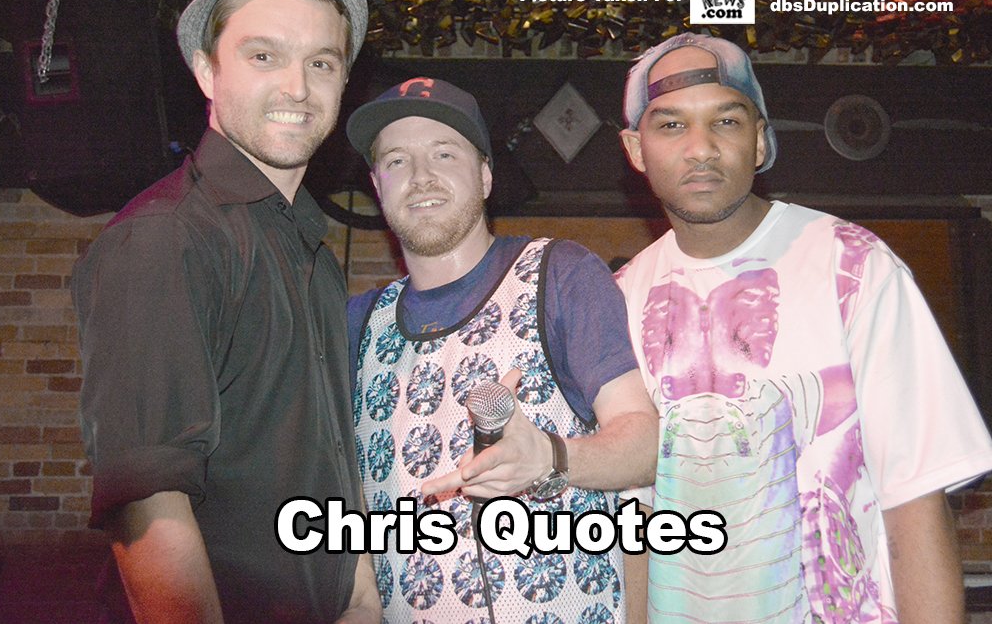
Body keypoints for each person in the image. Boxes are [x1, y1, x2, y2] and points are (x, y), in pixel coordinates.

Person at [615, 32, 992, 623]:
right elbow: (634, 524)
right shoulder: (619, 298)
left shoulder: (854, 267)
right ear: (636, 149)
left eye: (726, 121)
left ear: (760, 140)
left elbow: (915, 500)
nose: (700, 148)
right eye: (671, 126)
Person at [72, 0, 380, 623]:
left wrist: (361, 598)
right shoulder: (166, 238)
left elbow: (329, 459)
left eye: (321, 62)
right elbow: (148, 504)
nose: (297, 87)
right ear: (206, 71)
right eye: (263, 56)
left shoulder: (308, 250)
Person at [345, 77, 660, 623]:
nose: (421, 176)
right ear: (377, 184)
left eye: (444, 153)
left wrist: (551, 458)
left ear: (486, 175)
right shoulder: (356, 324)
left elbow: (647, 444)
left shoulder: (560, 275)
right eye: (397, 160)